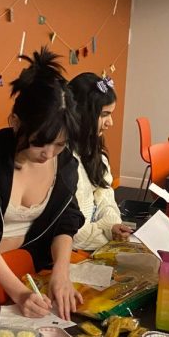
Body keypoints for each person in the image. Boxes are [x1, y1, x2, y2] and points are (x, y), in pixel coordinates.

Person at [0, 49, 84, 320]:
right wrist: (18, 292)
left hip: (30, 274)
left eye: (59, 144)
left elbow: (66, 220)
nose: (48, 154)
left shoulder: (65, 165)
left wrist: (61, 273)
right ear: (15, 122)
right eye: (39, 142)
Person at [68, 72, 131, 251]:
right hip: (75, 248)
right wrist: (105, 234)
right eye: (104, 114)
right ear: (82, 113)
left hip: (93, 241)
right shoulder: (63, 159)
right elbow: (74, 233)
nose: (110, 122)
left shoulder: (94, 149)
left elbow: (104, 193)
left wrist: (112, 226)